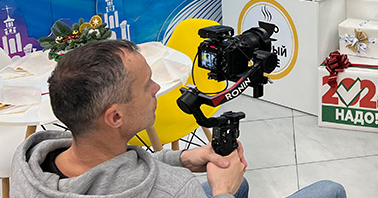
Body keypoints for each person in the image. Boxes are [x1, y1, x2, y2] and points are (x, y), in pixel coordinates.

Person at [12, 40, 347, 198]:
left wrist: (183, 158)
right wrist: (222, 193)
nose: (157, 88)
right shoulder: (175, 191)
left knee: (240, 184)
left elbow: (110, 169)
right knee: (330, 190)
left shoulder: (29, 164)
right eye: (146, 85)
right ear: (115, 117)